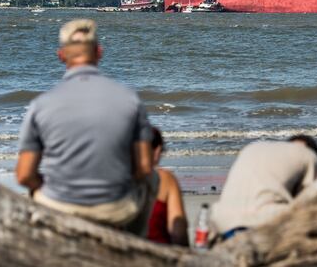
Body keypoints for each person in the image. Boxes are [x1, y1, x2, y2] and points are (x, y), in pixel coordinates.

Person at [15, 19, 156, 235]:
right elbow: (144, 167)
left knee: (36, 194)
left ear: (61, 55)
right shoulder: (130, 100)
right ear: (99, 52)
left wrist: (49, 185)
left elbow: (24, 175)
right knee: (153, 179)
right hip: (115, 208)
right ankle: (136, 244)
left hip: (60, 205)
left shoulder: (41, 105)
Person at [209, 135, 317, 240]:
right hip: (263, 220)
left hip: (221, 220)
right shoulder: (308, 154)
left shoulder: (252, 148)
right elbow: (306, 198)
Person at [146, 127, 189, 246]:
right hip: (159, 253)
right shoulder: (166, 179)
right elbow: (179, 232)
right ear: (158, 150)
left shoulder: (117, 176)